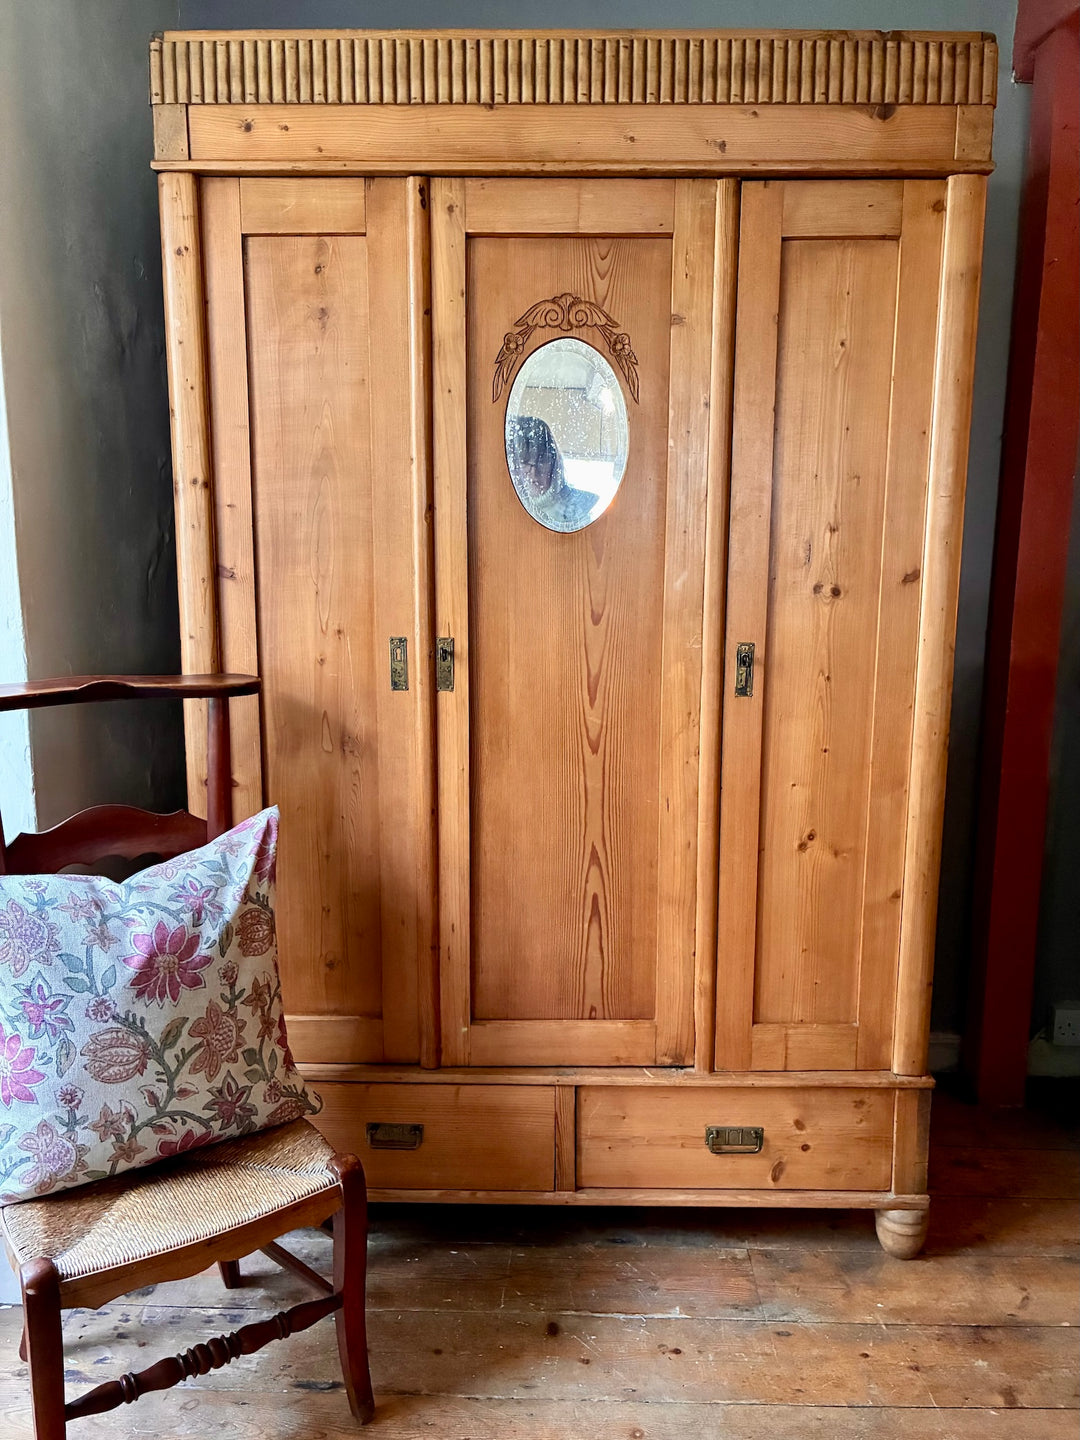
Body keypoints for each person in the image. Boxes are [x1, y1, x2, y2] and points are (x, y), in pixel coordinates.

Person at [508, 415, 599, 531]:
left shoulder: (583, 508)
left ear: (554, 462)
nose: (533, 472)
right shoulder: (505, 509)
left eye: (541, 461)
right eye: (524, 462)